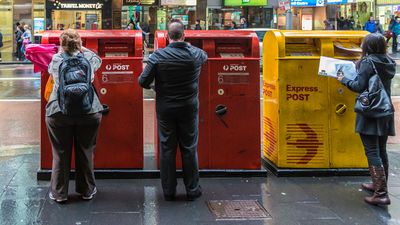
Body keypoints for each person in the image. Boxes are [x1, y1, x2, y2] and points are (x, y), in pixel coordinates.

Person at [138, 20, 207, 201]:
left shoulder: (158, 56)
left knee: (167, 148)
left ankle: (169, 191)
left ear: (167, 37)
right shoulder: (196, 54)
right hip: (188, 108)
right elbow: (205, 57)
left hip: (166, 108)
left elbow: (142, 81)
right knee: (189, 147)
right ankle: (192, 189)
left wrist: (157, 87)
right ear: (184, 35)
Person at [337, 33, 395, 206]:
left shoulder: (368, 63)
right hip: (385, 110)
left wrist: (343, 79)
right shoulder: (388, 61)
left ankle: (381, 193)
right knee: (381, 149)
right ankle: (378, 185)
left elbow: (358, 86)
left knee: (372, 151)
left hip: (370, 112)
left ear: (367, 47)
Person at [46, 29, 103, 203]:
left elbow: (50, 71)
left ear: (62, 44)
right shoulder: (88, 59)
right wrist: (81, 48)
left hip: (59, 112)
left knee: (60, 153)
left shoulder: (57, 59)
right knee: (85, 151)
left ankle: (59, 193)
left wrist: (62, 51)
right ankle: (86, 190)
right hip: (89, 111)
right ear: (79, 42)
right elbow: (99, 61)